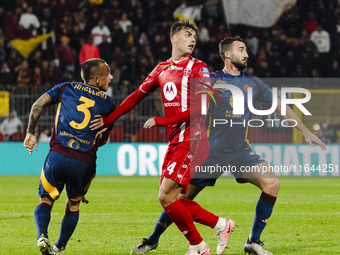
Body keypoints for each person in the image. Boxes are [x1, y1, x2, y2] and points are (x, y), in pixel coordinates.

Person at [129, 36, 327, 255]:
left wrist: (305, 131)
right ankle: (153, 239)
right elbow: (188, 106)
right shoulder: (210, 79)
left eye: (246, 50)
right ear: (228, 54)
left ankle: (253, 241)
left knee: (272, 185)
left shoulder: (252, 82)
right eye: (241, 50)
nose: (246, 54)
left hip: (240, 152)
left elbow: (280, 105)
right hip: (210, 152)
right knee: (177, 201)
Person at [90, 20, 234, 255]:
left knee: (166, 196)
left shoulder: (200, 68)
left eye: (194, 37)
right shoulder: (161, 68)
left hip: (193, 139)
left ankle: (199, 247)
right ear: (173, 38)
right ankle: (221, 225)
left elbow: (203, 107)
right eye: (187, 35)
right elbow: (136, 96)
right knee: (173, 200)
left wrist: (163, 120)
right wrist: (109, 120)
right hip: (176, 141)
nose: (192, 39)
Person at [23, 58, 115, 255]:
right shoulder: (109, 103)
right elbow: (103, 140)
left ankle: (42, 236)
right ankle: (59, 248)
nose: (111, 77)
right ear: (97, 79)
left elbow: (37, 105)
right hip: (84, 161)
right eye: (108, 74)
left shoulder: (65, 87)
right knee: (73, 204)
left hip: (58, 155)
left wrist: (31, 132)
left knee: (46, 200)